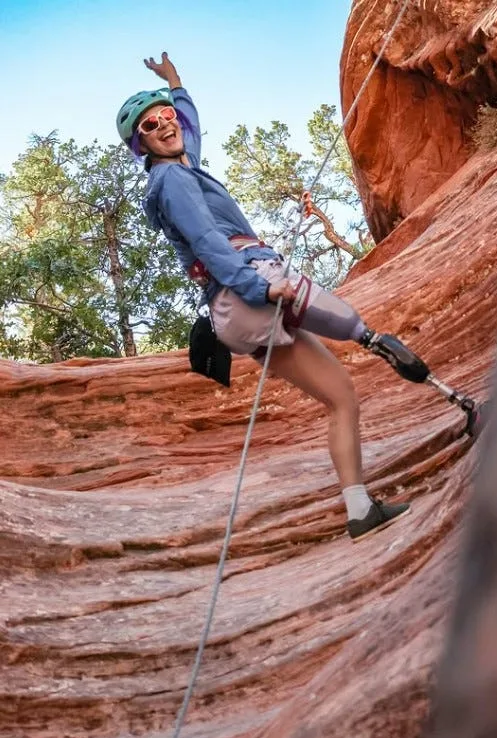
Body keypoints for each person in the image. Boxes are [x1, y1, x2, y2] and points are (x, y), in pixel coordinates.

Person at [116, 52, 422, 543]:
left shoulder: (184, 166)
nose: (166, 125)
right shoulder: (170, 180)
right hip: (249, 288)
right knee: (357, 328)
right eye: (151, 126)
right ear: (141, 144)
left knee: (341, 397)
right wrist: (259, 286)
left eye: (166, 116)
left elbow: (189, 127)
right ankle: (453, 398)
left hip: (235, 311)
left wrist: (174, 82)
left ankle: (360, 509)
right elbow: (207, 242)